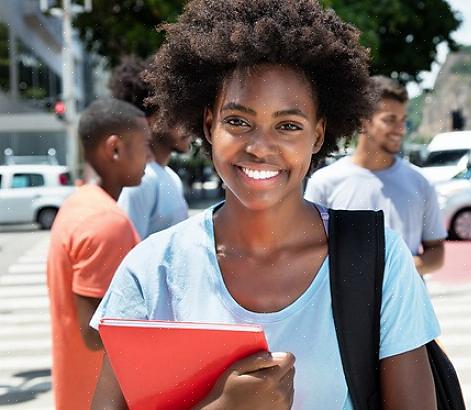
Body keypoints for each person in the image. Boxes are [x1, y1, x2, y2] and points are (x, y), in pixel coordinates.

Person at [89, 1, 441, 409]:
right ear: (209, 124)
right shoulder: (151, 270)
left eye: (288, 126)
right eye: (238, 121)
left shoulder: (379, 259)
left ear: (317, 135)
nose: (259, 147)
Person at [46, 97, 151, 409]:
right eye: (144, 146)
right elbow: (96, 333)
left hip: (79, 393)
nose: (149, 157)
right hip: (103, 397)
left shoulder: (79, 204)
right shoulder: (106, 221)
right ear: (115, 148)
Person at [304, 75, 446, 275]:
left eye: (403, 121)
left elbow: (436, 252)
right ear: (364, 122)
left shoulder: (420, 183)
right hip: (343, 304)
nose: (400, 129)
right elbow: (307, 251)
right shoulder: (324, 183)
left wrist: (393, 271)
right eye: (390, 120)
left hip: (407, 304)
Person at [109, 55, 192, 239]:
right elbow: (127, 256)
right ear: (148, 122)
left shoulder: (170, 176)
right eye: (176, 114)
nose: (188, 124)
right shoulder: (141, 181)